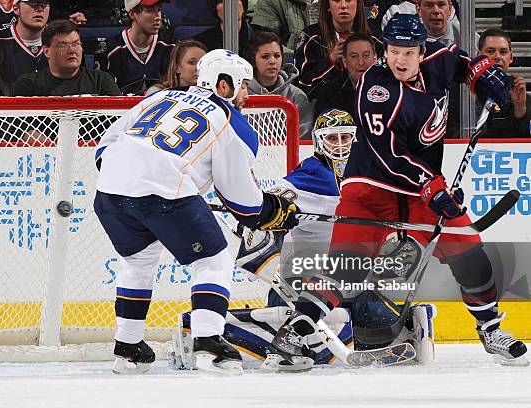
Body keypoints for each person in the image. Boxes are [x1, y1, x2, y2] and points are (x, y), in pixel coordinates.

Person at [267, 13, 527, 372]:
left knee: (470, 253)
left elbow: (466, 61)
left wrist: (483, 76)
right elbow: (391, 155)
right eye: (392, 51)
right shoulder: (375, 91)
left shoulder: (439, 57)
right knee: (348, 269)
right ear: (383, 51)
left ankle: (491, 330)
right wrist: (432, 185)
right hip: (372, 186)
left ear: (421, 51)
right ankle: (296, 330)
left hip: (420, 188)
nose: (399, 60)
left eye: (407, 52)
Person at [93, 49, 299, 375]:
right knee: (214, 260)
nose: (247, 93)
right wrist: (272, 211)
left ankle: (128, 347)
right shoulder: (231, 122)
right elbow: (242, 201)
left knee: (138, 260)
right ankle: (209, 343)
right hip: (165, 193)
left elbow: (107, 142)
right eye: (243, 85)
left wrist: (132, 177)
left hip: (110, 190)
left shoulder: (161, 97)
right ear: (224, 85)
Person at [228, 109, 436, 369]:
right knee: (310, 334)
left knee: (372, 309)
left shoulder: (368, 176)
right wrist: (256, 214)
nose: (339, 145)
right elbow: (267, 205)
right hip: (296, 287)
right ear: (318, 142)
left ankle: (399, 327)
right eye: (332, 139)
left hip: (341, 282)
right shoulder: (310, 176)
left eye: (345, 138)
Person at [13, 20, 120, 96]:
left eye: (76, 44)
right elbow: (20, 125)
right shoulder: (28, 84)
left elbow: (120, 122)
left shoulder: (101, 81)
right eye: (63, 46)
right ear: (46, 51)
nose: (72, 50)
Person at [246, 31, 313, 139]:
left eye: (277, 56)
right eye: (265, 57)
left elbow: (304, 139)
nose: (272, 61)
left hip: (288, 155)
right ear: (253, 59)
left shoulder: (296, 96)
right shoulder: (242, 94)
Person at [104, 0, 174, 95]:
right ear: (132, 14)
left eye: (159, 9)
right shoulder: (111, 50)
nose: (158, 17)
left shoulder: (171, 46)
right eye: (150, 10)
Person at [477, 28, 530, 138]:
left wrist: (519, 109)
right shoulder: (462, 92)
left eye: (503, 52)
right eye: (490, 51)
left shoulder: (519, 92)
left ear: (510, 58)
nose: (497, 57)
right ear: (479, 56)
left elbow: (524, 144)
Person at [313, 33, 377, 118]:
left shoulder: (392, 89)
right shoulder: (330, 95)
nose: (361, 62)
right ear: (345, 62)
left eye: (366, 55)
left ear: (375, 59)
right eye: (354, 56)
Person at [0, 0, 50, 95]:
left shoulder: (61, 39)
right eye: (32, 3)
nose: (39, 9)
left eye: (44, 4)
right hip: (9, 107)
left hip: (52, 107)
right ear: (16, 9)